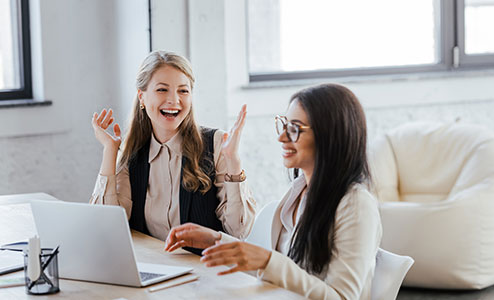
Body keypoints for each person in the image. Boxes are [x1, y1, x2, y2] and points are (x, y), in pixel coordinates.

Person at [164, 83, 382, 299]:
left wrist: (268, 261)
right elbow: (279, 271)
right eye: (284, 125)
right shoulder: (299, 192)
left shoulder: (356, 205)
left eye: (295, 129)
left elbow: (341, 297)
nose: (282, 138)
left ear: (330, 135)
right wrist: (215, 241)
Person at [90, 51, 256, 254]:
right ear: (142, 96)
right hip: (154, 271)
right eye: (162, 90)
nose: (174, 100)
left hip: (206, 273)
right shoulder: (132, 153)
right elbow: (107, 228)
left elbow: (239, 231)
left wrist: (234, 162)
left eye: (183, 91)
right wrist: (110, 150)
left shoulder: (216, 144)